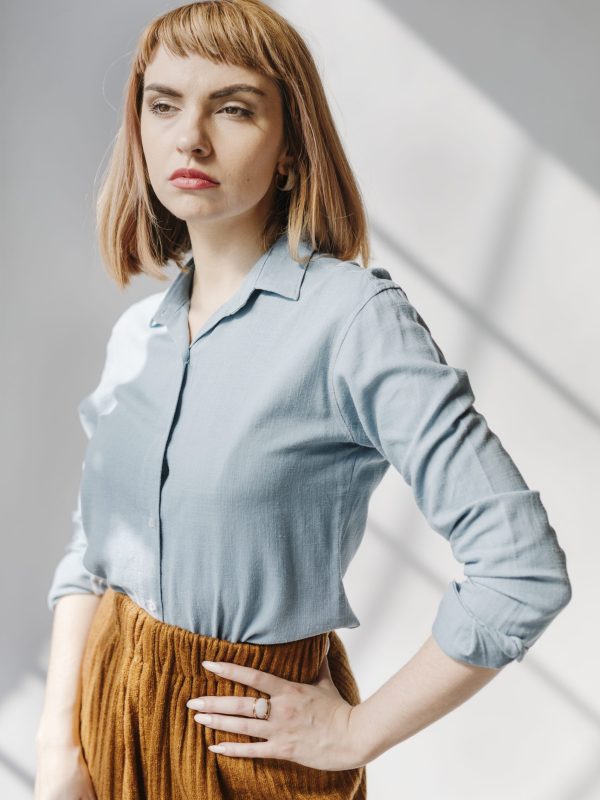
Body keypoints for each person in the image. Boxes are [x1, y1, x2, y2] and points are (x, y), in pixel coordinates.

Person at [34, 1, 573, 798]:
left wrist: (356, 731)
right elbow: (93, 553)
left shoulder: (353, 320)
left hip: (247, 752)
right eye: (165, 103)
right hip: (104, 724)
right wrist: (58, 748)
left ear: (290, 149)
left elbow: (521, 571)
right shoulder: (137, 335)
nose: (191, 136)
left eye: (234, 107)